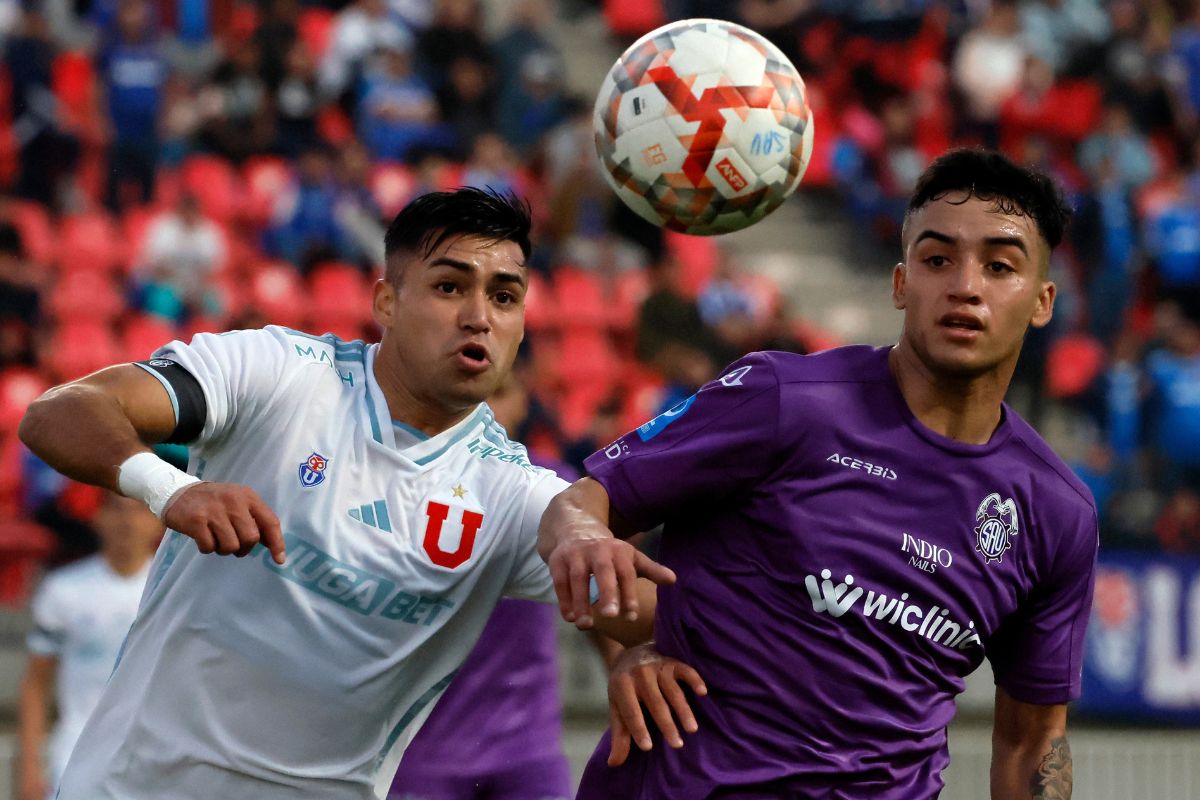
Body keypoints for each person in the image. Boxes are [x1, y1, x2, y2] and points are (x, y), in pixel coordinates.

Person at [18, 188, 666, 800]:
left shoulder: (514, 495)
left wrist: (651, 645)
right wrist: (173, 491)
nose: (478, 317)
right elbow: (60, 413)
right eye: (449, 287)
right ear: (386, 302)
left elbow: (661, 612)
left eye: (504, 296)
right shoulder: (278, 376)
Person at [539, 149, 1098, 799]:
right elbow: (581, 504)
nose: (966, 286)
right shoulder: (782, 399)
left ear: (1042, 300)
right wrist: (588, 547)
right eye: (937, 259)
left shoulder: (1056, 511)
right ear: (900, 283)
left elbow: (1033, 742)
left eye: (999, 266)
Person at [389, 375, 572, 800]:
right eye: (478, 395)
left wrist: (625, 658)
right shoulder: (402, 486)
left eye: (501, 394)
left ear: (524, 402)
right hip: (421, 749)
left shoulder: (555, 491)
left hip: (528, 748)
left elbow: (600, 595)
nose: (487, 408)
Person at [17, 493, 162, 800]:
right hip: (75, 756)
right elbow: (36, 684)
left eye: (139, 511)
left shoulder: (169, 592)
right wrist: (29, 765)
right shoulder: (64, 589)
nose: (127, 522)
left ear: (158, 521)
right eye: (117, 510)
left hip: (152, 760)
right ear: (98, 518)